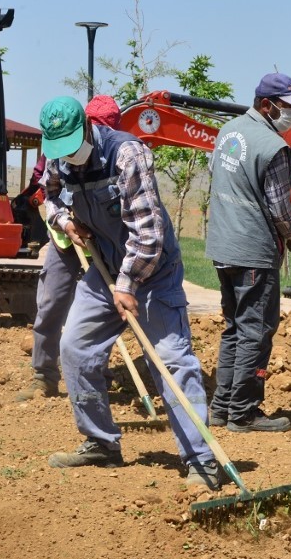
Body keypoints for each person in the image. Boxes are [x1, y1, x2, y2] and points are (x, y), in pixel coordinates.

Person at [39, 96, 222, 490]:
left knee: (172, 360)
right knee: (74, 346)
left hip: (153, 272)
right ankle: (101, 442)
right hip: (104, 269)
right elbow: (49, 197)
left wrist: (128, 285)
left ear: (87, 128)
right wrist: (66, 221)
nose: (67, 156)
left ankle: (201, 459)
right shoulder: (58, 158)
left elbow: (149, 233)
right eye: (60, 150)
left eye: (73, 145)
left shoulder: (127, 154)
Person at [204, 72, 291, 433]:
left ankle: (221, 409)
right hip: (253, 250)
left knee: (235, 328)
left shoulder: (227, 132)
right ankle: (244, 412)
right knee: (256, 331)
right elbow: (282, 211)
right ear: (267, 105)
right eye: (288, 107)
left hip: (222, 246)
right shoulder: (274, 148)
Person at [15, 95, 122, 402]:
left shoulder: (118, 153)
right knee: (52, 302)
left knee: (106, 308)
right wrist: (66, 219)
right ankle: (44, 375)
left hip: (103, 241)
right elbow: (48, 191)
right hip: (66, 238)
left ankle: (96, 371)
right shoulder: (59, 150)